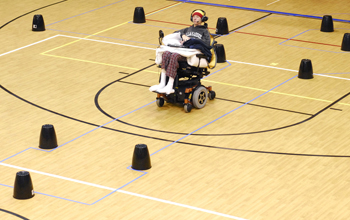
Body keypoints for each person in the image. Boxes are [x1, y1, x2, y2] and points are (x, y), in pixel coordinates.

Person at [149, 9, 211, 94]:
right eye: (193, 17)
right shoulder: (188, 29)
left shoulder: (205, 31)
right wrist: (183, 35)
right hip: (183, 49)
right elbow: (175, 34)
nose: (195, 19)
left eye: (197, 17)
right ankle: (162, 83)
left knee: (174, 55)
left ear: (202, 19)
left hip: (191, 53)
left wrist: (192, 41)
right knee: (166, 54)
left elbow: (207, 44)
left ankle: (170, 86)